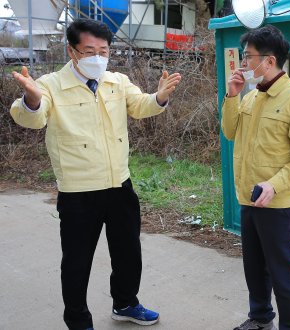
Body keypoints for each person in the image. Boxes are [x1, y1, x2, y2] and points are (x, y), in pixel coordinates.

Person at [10, 18, 182, 330]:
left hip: (119, 183)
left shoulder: (116, 80)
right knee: (77, 261)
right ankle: (77, 319)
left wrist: (159, 97)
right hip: (79, 191)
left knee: (128, 251)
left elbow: (140, 106)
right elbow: (31, 118)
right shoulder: (50, 85)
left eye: (103, 50)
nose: (98, 57)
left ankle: (126, 303)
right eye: (89, 50)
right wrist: (32, 100)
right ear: (71, 51)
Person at [221, 25, 290, 330]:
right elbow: (229, 132)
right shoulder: (251, 97)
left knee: (282, 269)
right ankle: (260, 316)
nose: (243, 63)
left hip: (277, 202)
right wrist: (231, 96)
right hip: (248, 196)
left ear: (269, 60)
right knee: (254, 265)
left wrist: (274, 184)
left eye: (248, 56)